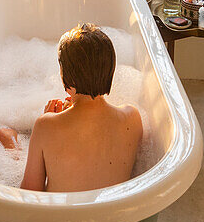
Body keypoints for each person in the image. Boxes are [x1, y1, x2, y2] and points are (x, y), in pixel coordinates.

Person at [13, 22, 142, 193]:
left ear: (65, 76)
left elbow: (30, 194)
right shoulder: (132, 117)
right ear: (110, 71)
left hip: (63, 218)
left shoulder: (45, 126)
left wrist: (52, 121)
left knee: (5, 135)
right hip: (115, 216)